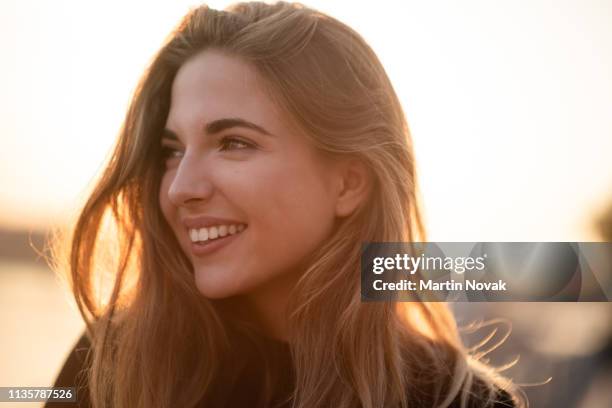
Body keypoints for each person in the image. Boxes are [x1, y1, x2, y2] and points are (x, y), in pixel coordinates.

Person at [47, 2, 523, 407]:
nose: (180, 187)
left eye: (234, 142)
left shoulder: (459, 401)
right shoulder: (112, 369)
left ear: (348, 184)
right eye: (172, 151)